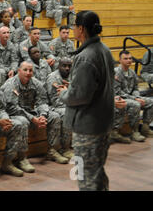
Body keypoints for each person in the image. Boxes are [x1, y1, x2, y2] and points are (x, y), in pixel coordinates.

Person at [58, 10, 116, 191]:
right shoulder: (104, 49)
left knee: (85, 176)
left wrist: (64, 93)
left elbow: (79, 96)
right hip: (102, 122)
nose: (73, 29)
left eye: (75, 26)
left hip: (88, 127)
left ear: (81, 29)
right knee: (96, 172)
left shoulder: (86, 56)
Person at [2, 61, 67, 165]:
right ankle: (22, 158)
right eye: (25, 70)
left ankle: (52, 151)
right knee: (23, 122)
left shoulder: (36, 83)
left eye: (30, 70)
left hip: (30, 112)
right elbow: (12, 108)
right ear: (19, 71)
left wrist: (42, 116)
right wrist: (32, 119)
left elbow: (42, 101)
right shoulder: (11, 84)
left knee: (54, 116)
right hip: (13, 114)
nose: (28, 73)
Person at [113, 50, 152, 140]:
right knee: (136, 104)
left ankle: (145, 128)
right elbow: (118, 92)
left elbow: (135, 88)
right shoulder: (116, 73)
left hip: (131, 97)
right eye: (125, 58)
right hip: (119, 99)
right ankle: (135, 132)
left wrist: (137, 97)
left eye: (130, 58)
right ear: (120, 60)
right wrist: (135, 99)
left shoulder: (132, 72)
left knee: (151, 102)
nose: (129, 60)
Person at [45, 57, 74, 159]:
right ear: (58, 66)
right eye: (64, 66)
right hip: (51, 107)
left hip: (66, 104)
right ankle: (62, 148)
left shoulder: (72, 76)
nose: (67, 68)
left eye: (69, 66)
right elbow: (55, 101)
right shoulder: (53, 78)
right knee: (68, 112)